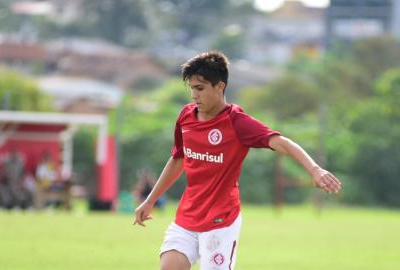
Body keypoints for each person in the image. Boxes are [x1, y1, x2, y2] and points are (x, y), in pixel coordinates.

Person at [133, 51, 342, 270]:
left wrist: (315, 170)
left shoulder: (237, 123)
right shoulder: (186, 117)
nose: (194, 95)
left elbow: (283, 143)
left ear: (220, 86)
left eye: (200, 88)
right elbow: (178, 159)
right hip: (187, 218)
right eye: (192, 88)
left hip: (220, 223)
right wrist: (150, 200)